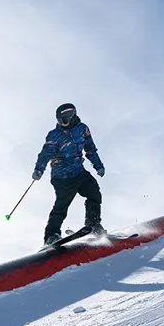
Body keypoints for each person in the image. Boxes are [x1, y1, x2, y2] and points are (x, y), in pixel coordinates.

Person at [33, 103, 106, 246]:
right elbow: (45, 154)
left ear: (72, 117)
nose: (62, 124)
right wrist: (39, 169)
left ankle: (93, 224)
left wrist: (98, 165)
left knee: (94, 193)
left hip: (79, 172)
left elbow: (90, 149)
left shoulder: (82, 129)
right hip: (62, 176)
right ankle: (51, 235)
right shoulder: (54, 135)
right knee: (62, 205)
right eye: (60, 121)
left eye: (64, 121)